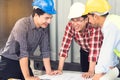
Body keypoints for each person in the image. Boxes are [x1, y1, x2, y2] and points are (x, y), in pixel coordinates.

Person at [0, 0, 56, 80]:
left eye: (51, 18)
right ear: (36, 15)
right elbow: (22, 52)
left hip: (25, 62)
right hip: (9, 62)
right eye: (46, 18)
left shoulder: (44, 28)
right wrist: (27, 77)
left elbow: (45, 51)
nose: (49, 21)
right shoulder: (22, 25)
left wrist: (49, 71)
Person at [54, 2, 103, 79]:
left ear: (86, 19)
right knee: (84, 75)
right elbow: (64, 48)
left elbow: (94, 52)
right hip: (84, 51)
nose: (75, 23)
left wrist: (91, 71)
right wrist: (60, 69)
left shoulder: (94, 27)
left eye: (78, 20)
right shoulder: (70, 26)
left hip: (100, 53)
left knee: (97, 75)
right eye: (73, 20)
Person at [84, 0, 120, 80]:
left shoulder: (110, 26)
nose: (88, 21)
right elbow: (113, 48)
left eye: (89, 18)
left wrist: (98, 73)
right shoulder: (111, 22)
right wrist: (112, 65)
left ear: (95, 16)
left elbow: (106, 51)